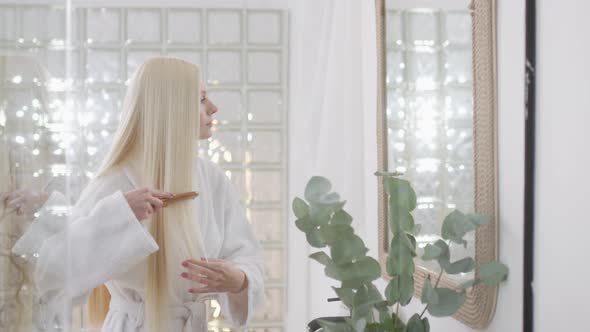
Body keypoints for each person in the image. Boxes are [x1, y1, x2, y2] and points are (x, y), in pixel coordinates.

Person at [21, 57, 265, 332]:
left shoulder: (212, 178)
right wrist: (120, 214)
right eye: (201, 100)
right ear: (172, 109)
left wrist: (241, 280)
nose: (214, 108)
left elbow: (247, 255)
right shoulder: (116, 180)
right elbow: (54, 270)